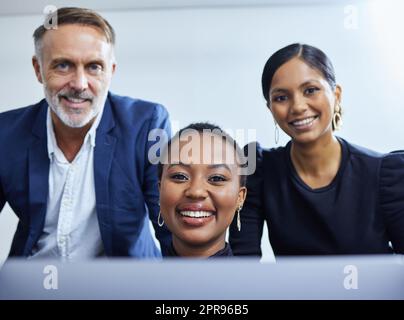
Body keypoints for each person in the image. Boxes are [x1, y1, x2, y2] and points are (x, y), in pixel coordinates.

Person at [0, 7, 172, 259]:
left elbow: (168, 223)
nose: (80, 84)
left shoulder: (147, 124)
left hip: (125, 287)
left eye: (94, 67)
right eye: (63, 65)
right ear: (38, 69)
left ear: (111, 71)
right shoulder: (6, 133)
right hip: (35, 284)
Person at [229, 43, 404, 256]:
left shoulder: (385, 173)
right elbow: (242, 265)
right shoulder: (259, 169)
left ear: (336, 95)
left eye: (310, 90)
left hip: (373, 290)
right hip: (293, 291)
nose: (298, 106)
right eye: (281, 97)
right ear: (270, 108)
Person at [158, 123, 247, 257]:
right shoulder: (133, 278)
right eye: (179, 176)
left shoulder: (257, 279)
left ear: (240, 198)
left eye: (217, 178)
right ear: (159, 190)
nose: (196, 192)